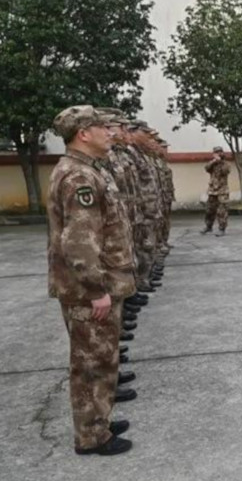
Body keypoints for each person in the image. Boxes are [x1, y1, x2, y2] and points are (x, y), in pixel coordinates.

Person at [47, 105, 137, 456]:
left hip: (94, 286)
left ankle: (99, 421)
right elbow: (79, 242)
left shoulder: (85, 169)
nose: (110, 132)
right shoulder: (79, 176)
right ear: (83, 134)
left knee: (101, 359)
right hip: (89, 290)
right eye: (102, 127)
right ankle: (91, 435)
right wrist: (96, 289)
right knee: (91, 365)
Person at [201, 146, 232, 236]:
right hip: (212, 191)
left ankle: (222, 229)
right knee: (209, 210)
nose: (218, 154)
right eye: (216, 152)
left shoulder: (226, 164)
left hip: (222, 191)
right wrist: (214, 161)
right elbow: (206, 168)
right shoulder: (212, 164)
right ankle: (208, 227)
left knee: (222, 211)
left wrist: (220, 162)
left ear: (222, 153)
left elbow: (225, 171)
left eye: (220, 152)